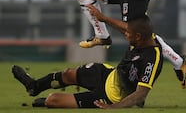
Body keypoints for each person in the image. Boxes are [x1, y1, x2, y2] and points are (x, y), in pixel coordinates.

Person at [12, 15, 163, 109]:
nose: (125, 35)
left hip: (109, 97)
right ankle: (34, 87)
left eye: (128, 34)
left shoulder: (152, 58)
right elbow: (126, 28)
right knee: (68, 74)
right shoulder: (143, 37)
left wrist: (113, 107)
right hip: (107, 74)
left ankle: (50, 101)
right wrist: (102, 18)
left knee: (53, 100)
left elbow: (141, 94)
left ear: (137, 37)